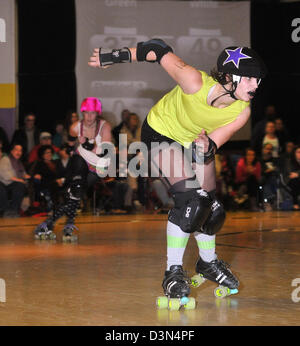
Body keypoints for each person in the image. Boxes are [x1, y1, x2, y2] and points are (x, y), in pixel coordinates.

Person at [89, 41, 267, 302]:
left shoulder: (242, 111)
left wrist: (208, 146)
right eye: (250, 78)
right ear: (229, 76)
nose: (256, 86)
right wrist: (112, 56)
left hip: (194, 141)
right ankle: (172, 271)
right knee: (190, 202)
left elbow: (214, 142)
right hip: (161, 132)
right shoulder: (194, 81)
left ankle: (208, 263)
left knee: (211, 207)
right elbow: (157, 50)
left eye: (258, 80)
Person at [34, 97, 112, 241]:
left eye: (93, 113)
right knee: (75, 190)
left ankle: (48, 224)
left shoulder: (104, 126)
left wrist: (88, 144)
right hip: (81, 161)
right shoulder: (75, 127)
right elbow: (69, 146)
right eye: (86, 113)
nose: (89, 117)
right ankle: (68, 225)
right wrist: (68, 150)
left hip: (98, 166)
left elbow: (105, 151)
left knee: (73, 196)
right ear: (82, 112)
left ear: (97, 114)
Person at [0, 144, 30, 217]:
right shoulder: (5, 159)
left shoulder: (19, 163)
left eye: (20, 150)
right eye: (16, 150)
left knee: (20, 186)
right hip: (3, 182)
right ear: (11, 151)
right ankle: (6, 210)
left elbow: (23, 174)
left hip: (11, 184)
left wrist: (29, 177)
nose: (18, 152)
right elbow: (5, 175)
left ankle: (14, 210)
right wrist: (20, 180)